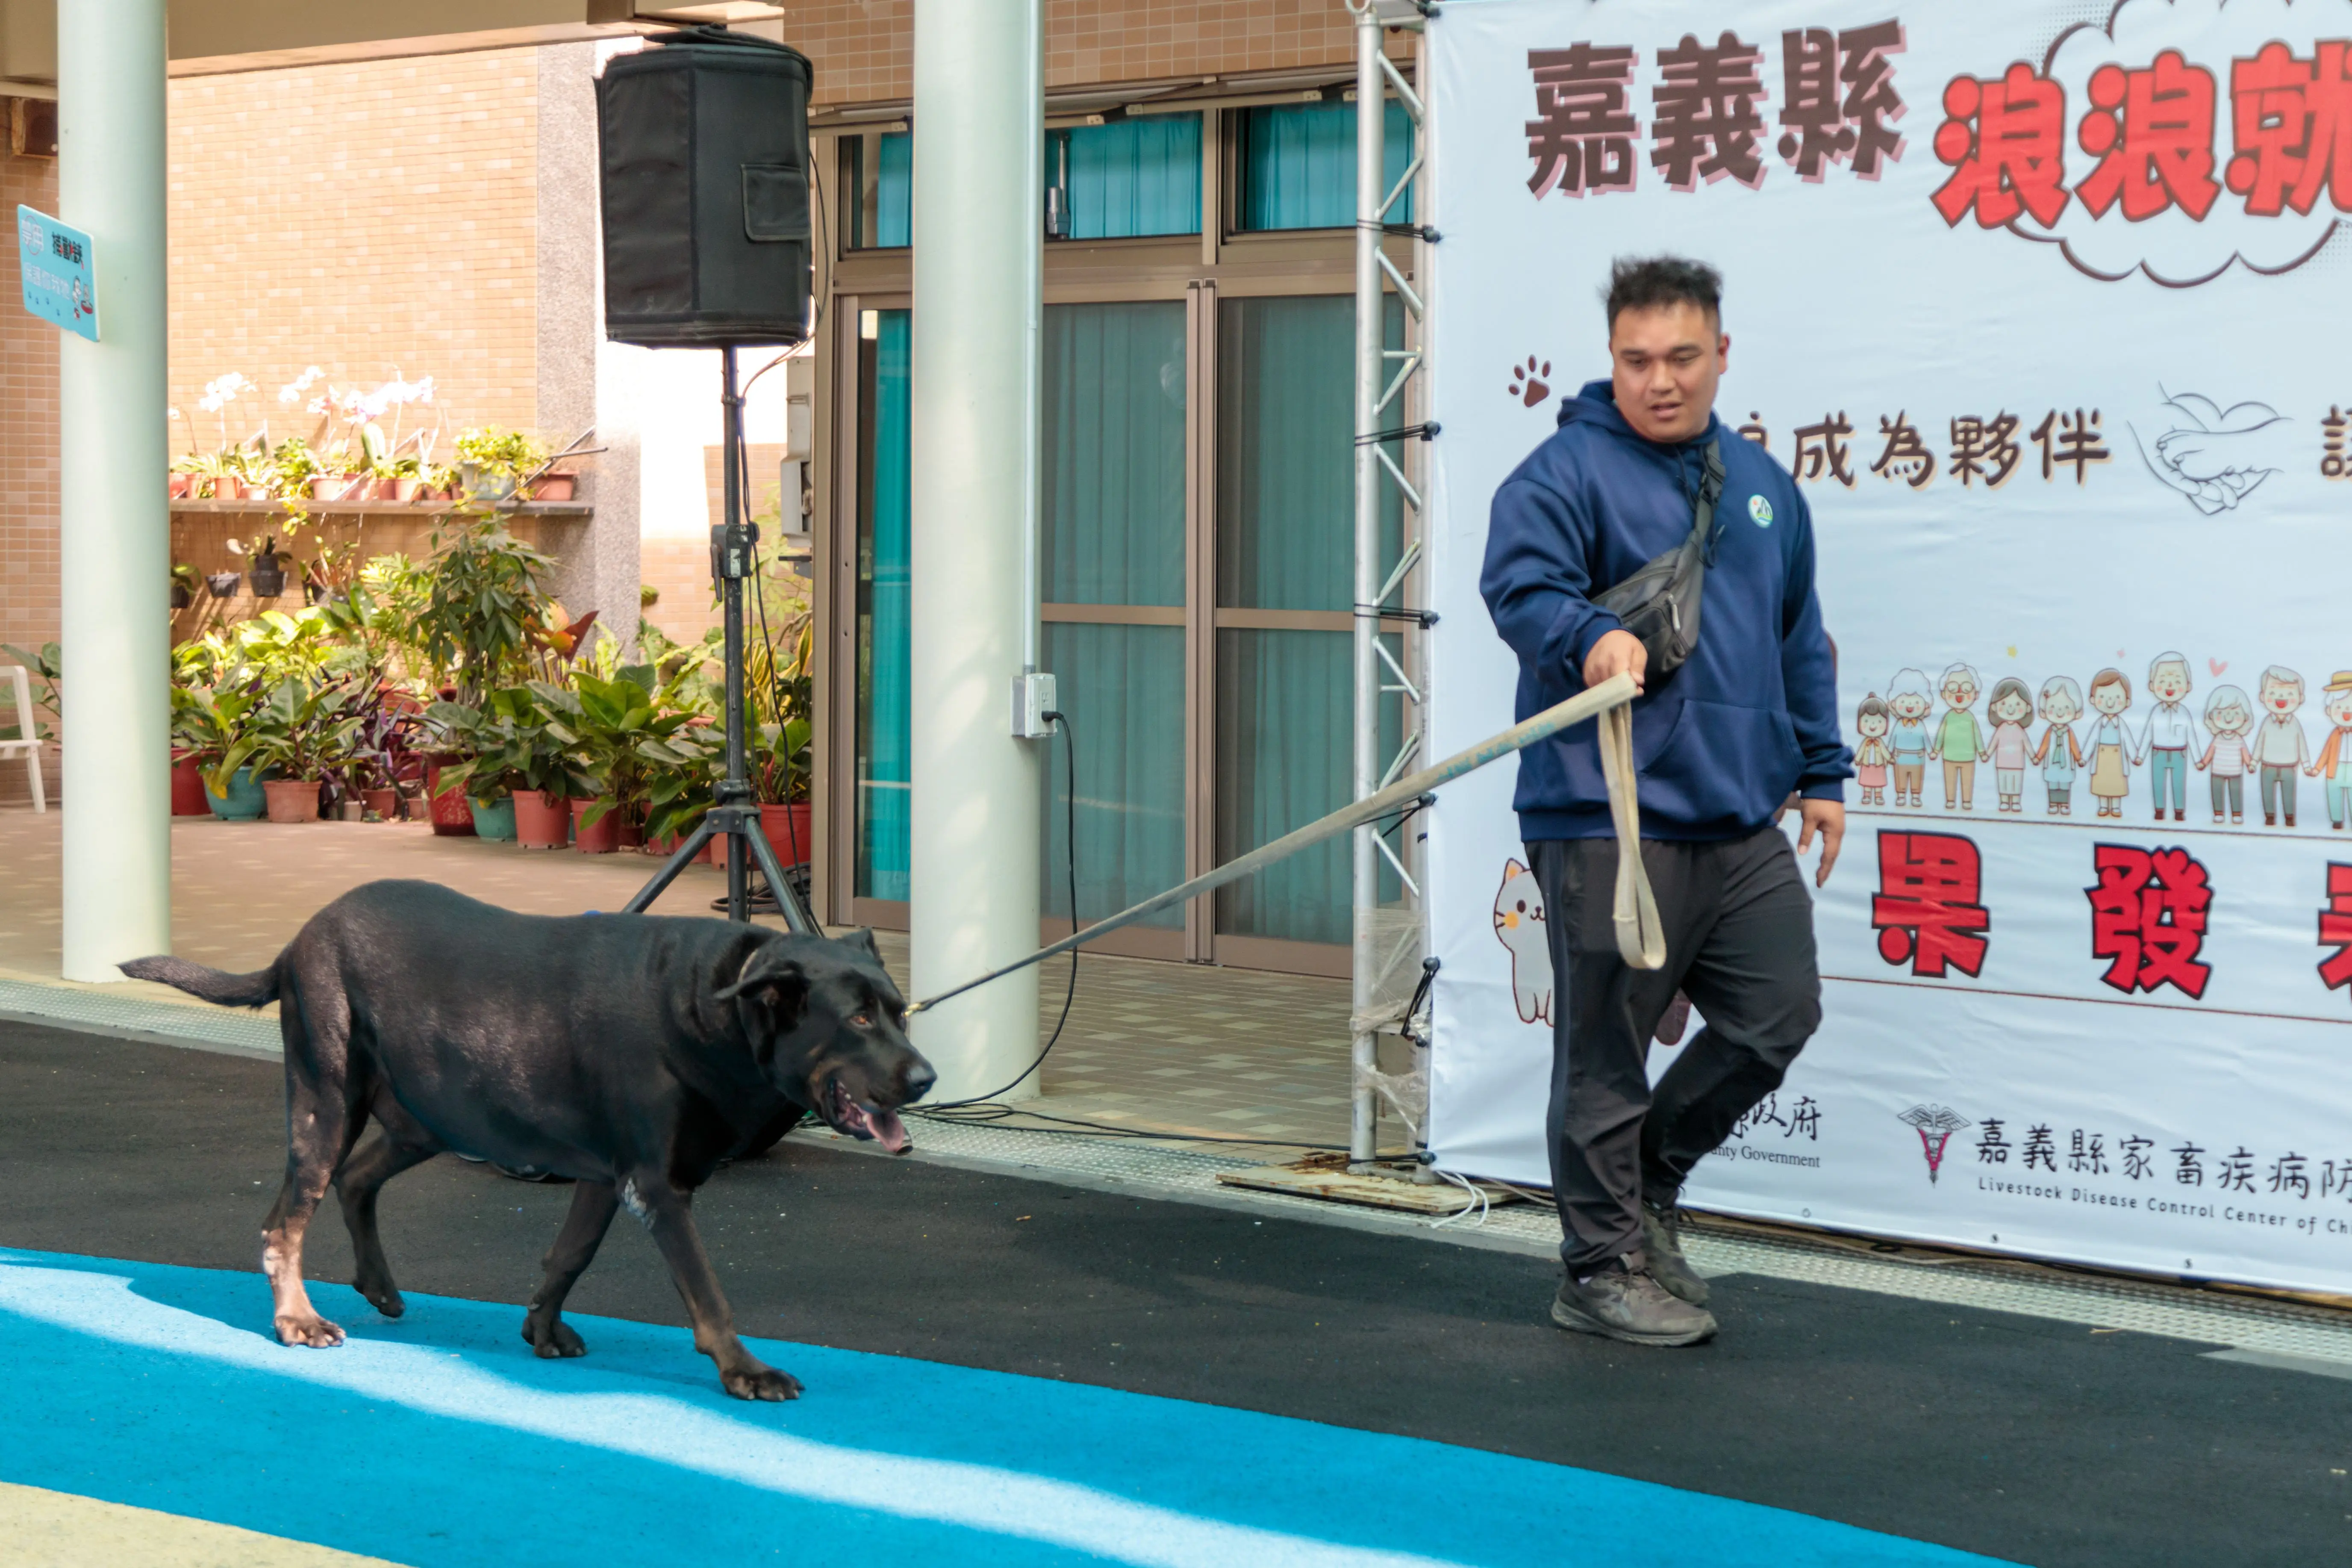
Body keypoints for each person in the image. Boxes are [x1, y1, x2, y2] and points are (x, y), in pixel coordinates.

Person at [1480, 256, 1849, 1349]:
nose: (1661, 380)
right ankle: (1597, 1268)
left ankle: (1647, 1181)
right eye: (1638, 360)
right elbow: (1521, 587)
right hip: (1607, 816)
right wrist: (1584, 635)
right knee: (1603, 1053)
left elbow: (1800, 637)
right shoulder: (1561, 475)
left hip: (1740, 821)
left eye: (1683, 357)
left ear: (1721, 354)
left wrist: (1822, 771)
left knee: (1779, 1014)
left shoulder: (1765, 488)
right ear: (1613, 360)